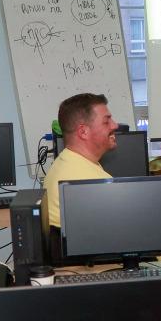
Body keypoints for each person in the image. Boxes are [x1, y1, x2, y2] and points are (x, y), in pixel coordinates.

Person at [43, 93, 118, 228]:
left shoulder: (66, 161)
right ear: (83, 132)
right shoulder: (93, 183)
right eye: (106, 122)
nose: (115, 126)